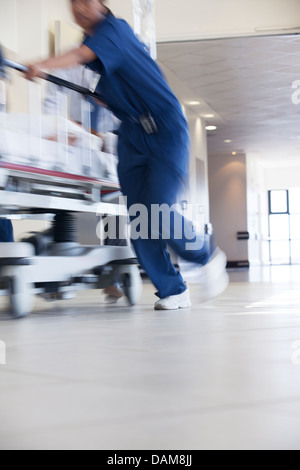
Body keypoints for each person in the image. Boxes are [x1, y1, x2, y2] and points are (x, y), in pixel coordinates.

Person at [26, 0, 228, 310]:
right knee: (140, 219)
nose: (78, 8)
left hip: (164, 128)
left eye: (85, 1)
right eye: (73, 3)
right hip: (131, 134)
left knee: (158, 210)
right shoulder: (90, 46)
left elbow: (81, 56)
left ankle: (206, 256)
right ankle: (173, 290)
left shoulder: (114, 30)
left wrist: (42, 64)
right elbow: (103, 89)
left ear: (101, 3)